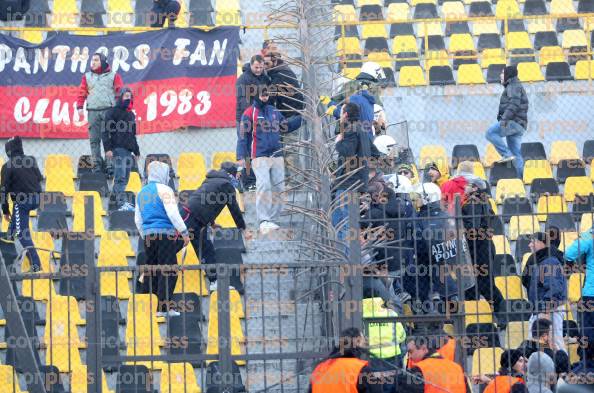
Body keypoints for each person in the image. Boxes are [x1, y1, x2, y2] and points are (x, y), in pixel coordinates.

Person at [237, 88, 302, 233]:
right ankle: (263, 220)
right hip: (259, 155)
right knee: (264, 185)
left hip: (277, 154)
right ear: (256, 95)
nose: (265, 97)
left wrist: (301, 117)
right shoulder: (249, 113)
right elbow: (243, 137)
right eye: (263, 95)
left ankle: (272, 219)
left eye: (267, 95)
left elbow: (285, 126)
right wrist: (241, 157)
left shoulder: (273, 111)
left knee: (280, 187)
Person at [135, 161, 190, 317]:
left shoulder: (141, 192)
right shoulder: (165, 189)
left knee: (151, 269)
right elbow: (173, 214)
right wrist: (184, 232)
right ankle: (163, 307)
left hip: (148, 236)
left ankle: (146, 306)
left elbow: (138, 220)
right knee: (169, 269)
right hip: (165, 235)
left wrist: (145, 234)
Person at [184, 163, 246, 291]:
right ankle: (148, 271)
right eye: (236, 174)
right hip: (190, 216)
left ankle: (215, 281)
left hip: (196, 218)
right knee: (174, 245)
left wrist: (212, 224)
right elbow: (234, 208)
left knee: (206, 249)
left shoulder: (211, 180)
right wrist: (243, 228)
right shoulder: (226, 185)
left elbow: (207, 204)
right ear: (230, 174)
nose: (237, 177)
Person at [461, 175, 505, 315]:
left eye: (467, 185)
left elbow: (472, 228)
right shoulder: (485, 201)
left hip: (478, 249)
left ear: (474, 188)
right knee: (477, 284)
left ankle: (501, 312)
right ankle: (477, 314)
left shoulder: (473, 203)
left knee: (484, 285)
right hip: (485, 246)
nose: (464, 187)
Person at [411, 182, 459, 308]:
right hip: (442, 265)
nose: (415, 200)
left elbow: (419, 245)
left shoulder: (421, 219)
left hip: (428, 264)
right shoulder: (445, 216)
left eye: (418, 197)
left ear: (428, 198)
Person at [0, 136, 42, 272]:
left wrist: (5, 210)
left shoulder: (7, 166)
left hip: (22, 203)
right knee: (17, 220)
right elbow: (39, 178)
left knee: (22, 233)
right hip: (37, 199)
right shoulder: (31, 160)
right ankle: (8, 238)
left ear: (9, 151)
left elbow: (3, 191)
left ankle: (36, 264)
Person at [77, 52, 123, 174]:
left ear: (103, 61)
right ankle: (97, 166)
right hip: (93, 111)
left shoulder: (113, 76)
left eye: (96, 60)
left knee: (109, 138)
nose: (93, 62)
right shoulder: (86, 76)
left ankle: (110, 165)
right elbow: (82, 92)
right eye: (92, 60)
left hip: (109, 111)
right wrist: (79, 107)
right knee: (94, 140)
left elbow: (119, 92)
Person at [332, 102, 371, 243]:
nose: (339, 115)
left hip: (348, 183)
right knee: (337, 218)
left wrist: (338, 142)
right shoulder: (362, 130)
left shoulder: (352, 130)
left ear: (346, 115)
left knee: (345, 222)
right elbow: (373, 152)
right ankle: (343, 255)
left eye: (341, 113)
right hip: (355, 182)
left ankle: (348, 259)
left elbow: (347, 151)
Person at [525, 232, 567, 353]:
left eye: (532, 241)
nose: (530, 245)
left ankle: (562, 369)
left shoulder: (549, 262)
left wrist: (545, 313)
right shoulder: (542, 261)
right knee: (537, 346)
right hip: (541, 310)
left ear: (541, 243)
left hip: (549, 311)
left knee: (555, 344)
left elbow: (554, 289)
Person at [485, 65, 528, 178]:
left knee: (490, 133)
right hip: (520, 125)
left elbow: (514, 104)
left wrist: (504, 120)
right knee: (516, 155)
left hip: (512, 122)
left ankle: (506, 154)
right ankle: (519, 181)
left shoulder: (513, 86)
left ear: (508, 75)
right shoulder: (515, 85)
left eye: (503, 73)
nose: (500, 75)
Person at [394, 330, 471, 393]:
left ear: (424, 349)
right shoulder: (457, 367)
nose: (409, 356)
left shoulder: (419, 370)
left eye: (411, 352)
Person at [308, 327, 382, 393]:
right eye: (363, 340)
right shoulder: (360, 369)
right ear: (358, 341)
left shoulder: (319, 368)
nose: (365, 343)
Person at [236, 55, 271, 191]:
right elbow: (243, 103)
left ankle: (256, 180)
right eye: (256, 67)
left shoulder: (264, 77)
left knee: (256, 150)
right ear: (251, 65)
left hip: (259, 119)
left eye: (261, 68)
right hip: (246, 119)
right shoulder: (243, 80)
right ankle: (248, 181)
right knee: (245, 150)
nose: (258, 70)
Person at [102, 87, 140, 211]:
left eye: (130, 97)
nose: (128, 99)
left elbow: (133, 134)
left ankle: (115, 204)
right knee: (120, 177)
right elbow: (105, 130)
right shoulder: (113, 112)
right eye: (126, 96)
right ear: (121, 97)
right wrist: (107, 148)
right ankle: (121, 203)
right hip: (118, 149)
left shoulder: (131, 114)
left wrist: (136, 151)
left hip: (128, 151)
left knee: (126, 177)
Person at [564, 225, 594, 344]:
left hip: (591, 293)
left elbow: (569, 253)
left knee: (588, 333)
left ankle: (587, 359)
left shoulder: (590, 235)